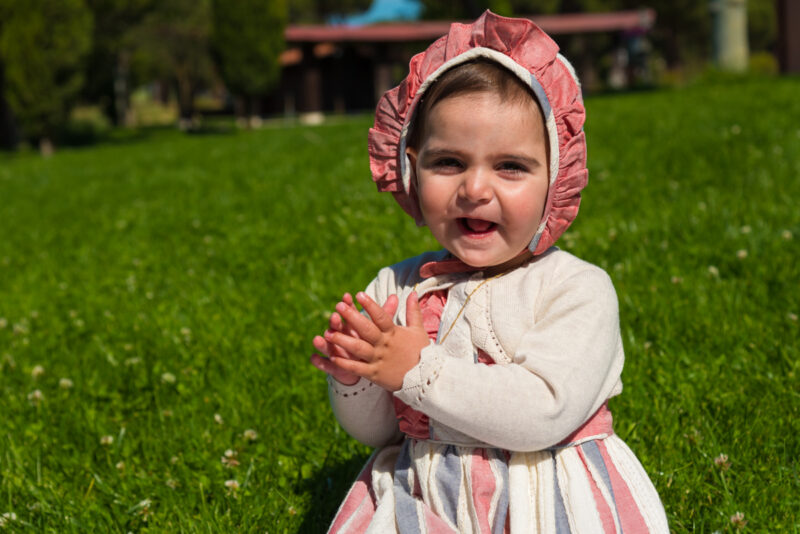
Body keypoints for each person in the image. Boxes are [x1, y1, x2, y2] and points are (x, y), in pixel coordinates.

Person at [310, 11, 669, 533]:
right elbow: (380, 434)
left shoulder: (576, 289)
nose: (475, 189)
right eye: (449, 163)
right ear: (411, 167)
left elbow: (542, 413)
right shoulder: (396, 287)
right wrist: (356, 381)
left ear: (556, 178)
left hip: (542, 496)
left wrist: (417, 370)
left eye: (511, 167)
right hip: (426, 489)